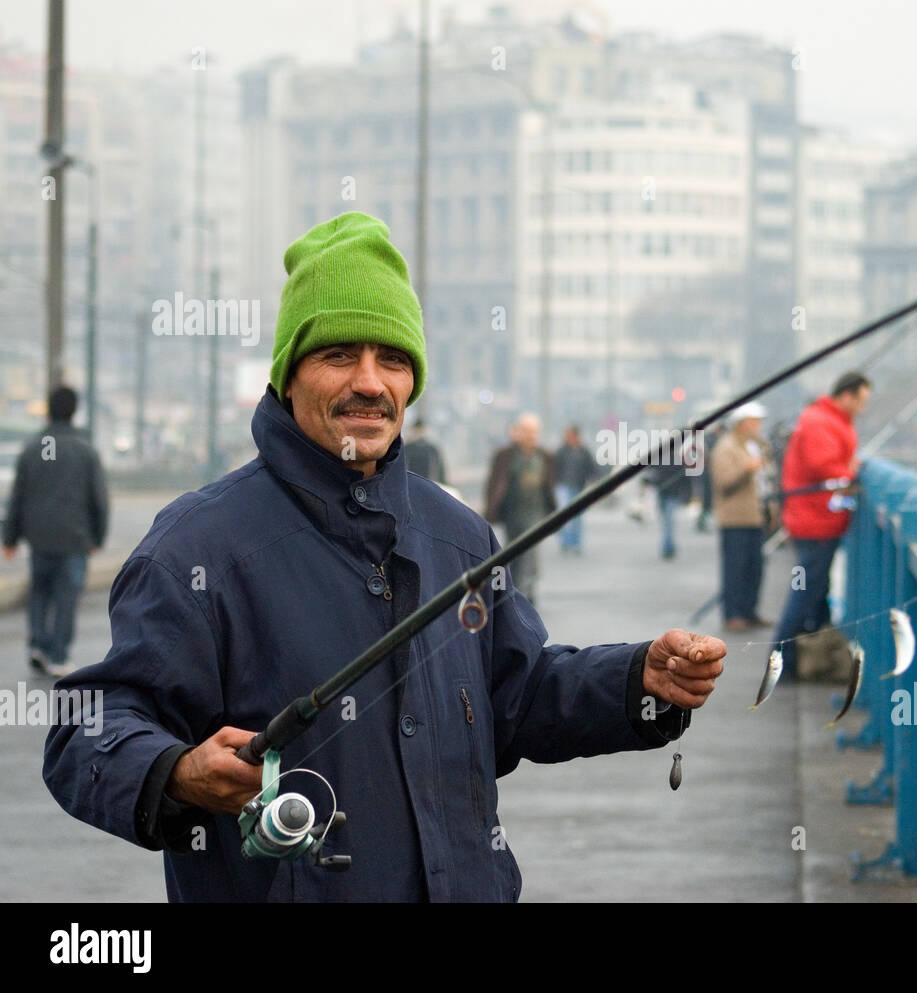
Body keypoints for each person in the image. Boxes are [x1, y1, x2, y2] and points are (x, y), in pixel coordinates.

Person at [42, 212, 725, 902]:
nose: (371, 382)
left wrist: (639, 679)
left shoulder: (460, 534)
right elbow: (83, 730)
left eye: (393, 359)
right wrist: (177, 769)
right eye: (340, 354)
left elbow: (519, 696)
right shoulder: (195, 547)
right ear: (287, 374)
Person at [3, 385, 108, 677]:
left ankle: (38, 645)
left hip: (39, 539)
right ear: (74, 411)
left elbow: (18, 497)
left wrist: (10, 538)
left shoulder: (31, 449)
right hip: (74, 539)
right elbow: (98, 499)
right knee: (66, 597)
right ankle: (58, 655)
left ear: (48, 409)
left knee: (39, 592)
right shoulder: (85, 451)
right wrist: (97, 537)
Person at [772, 371, 871, 678]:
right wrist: (849, 470)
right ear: (847, 395)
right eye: (861, 401)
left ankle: (812, 656)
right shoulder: (821, 421)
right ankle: (782, 660)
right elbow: (821, 464)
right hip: (815, 521)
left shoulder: (821, 418)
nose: (861, 409)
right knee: (804, 592)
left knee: (816, 591)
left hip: (816, 518)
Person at [709, 402, 770, 632]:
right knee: (735, 568)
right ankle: (733, 614)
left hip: (755, 517)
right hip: (735, 519)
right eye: (755, 422)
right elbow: (723, 481)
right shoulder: (726, 447)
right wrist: (747, 468)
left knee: (755, 567)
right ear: (742, 424)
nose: (758, 427)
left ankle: (749, 610)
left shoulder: (754, 446)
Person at [484, 413, 555, 602]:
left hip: (535, 511)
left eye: (535, 432)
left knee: (530, 550)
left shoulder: (544, 456)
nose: (532, 436)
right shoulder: (505, 455)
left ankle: (525, 591)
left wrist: (553, 510)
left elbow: (549, 485)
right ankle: (515, 586)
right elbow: (494, 483)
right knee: (513, 550)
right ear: (518, 432)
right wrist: (490, 508)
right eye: (528, 431)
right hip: (511, 512)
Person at [553, 425, 600, 554]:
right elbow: (553, 468)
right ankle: (566, 542)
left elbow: (592, 468)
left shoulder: (584, 451)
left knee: (577, 516)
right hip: (563, 486)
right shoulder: (561, 451)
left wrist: (594, 482)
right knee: (565, 515)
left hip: (579, 486)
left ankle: (576, 543)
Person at [403, 418, 446, 484]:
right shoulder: (407, 449)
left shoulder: (431, 449)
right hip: (411, 483)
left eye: (421, 430)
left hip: (427, 483)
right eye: (417, 430)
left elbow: (439, 471)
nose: (419, 433)